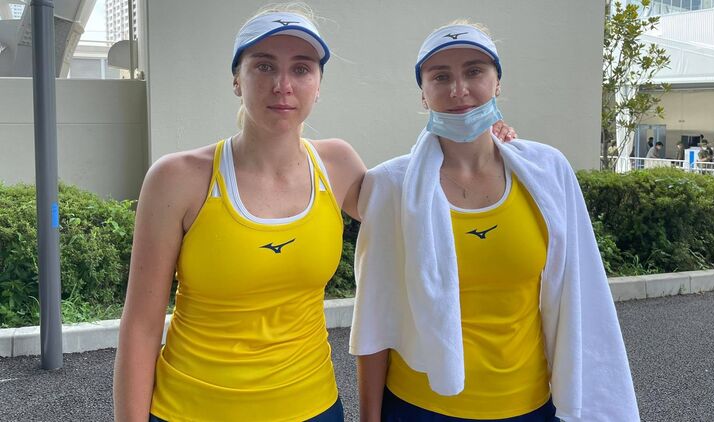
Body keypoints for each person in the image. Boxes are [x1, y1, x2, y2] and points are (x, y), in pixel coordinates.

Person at [113, 5, 517, 421]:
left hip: (315, 408)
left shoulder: (337, 166)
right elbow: (141, 326)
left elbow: (420, 199)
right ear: (237, 79)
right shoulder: (178, 179)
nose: (283, 85)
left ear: (319, 84)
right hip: (189, 409)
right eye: (264, 66)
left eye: (301, 69)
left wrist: (482, 136)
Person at [350, 21, 639, 422]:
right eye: (440, 77)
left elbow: (581, 293)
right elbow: (374, 316)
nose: (459, 90)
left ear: (497, 82)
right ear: (423, 93)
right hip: (421, 407)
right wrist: (369, 417)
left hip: (528, 406)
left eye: (474, 71)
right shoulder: (391, 185)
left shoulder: (546, 172)